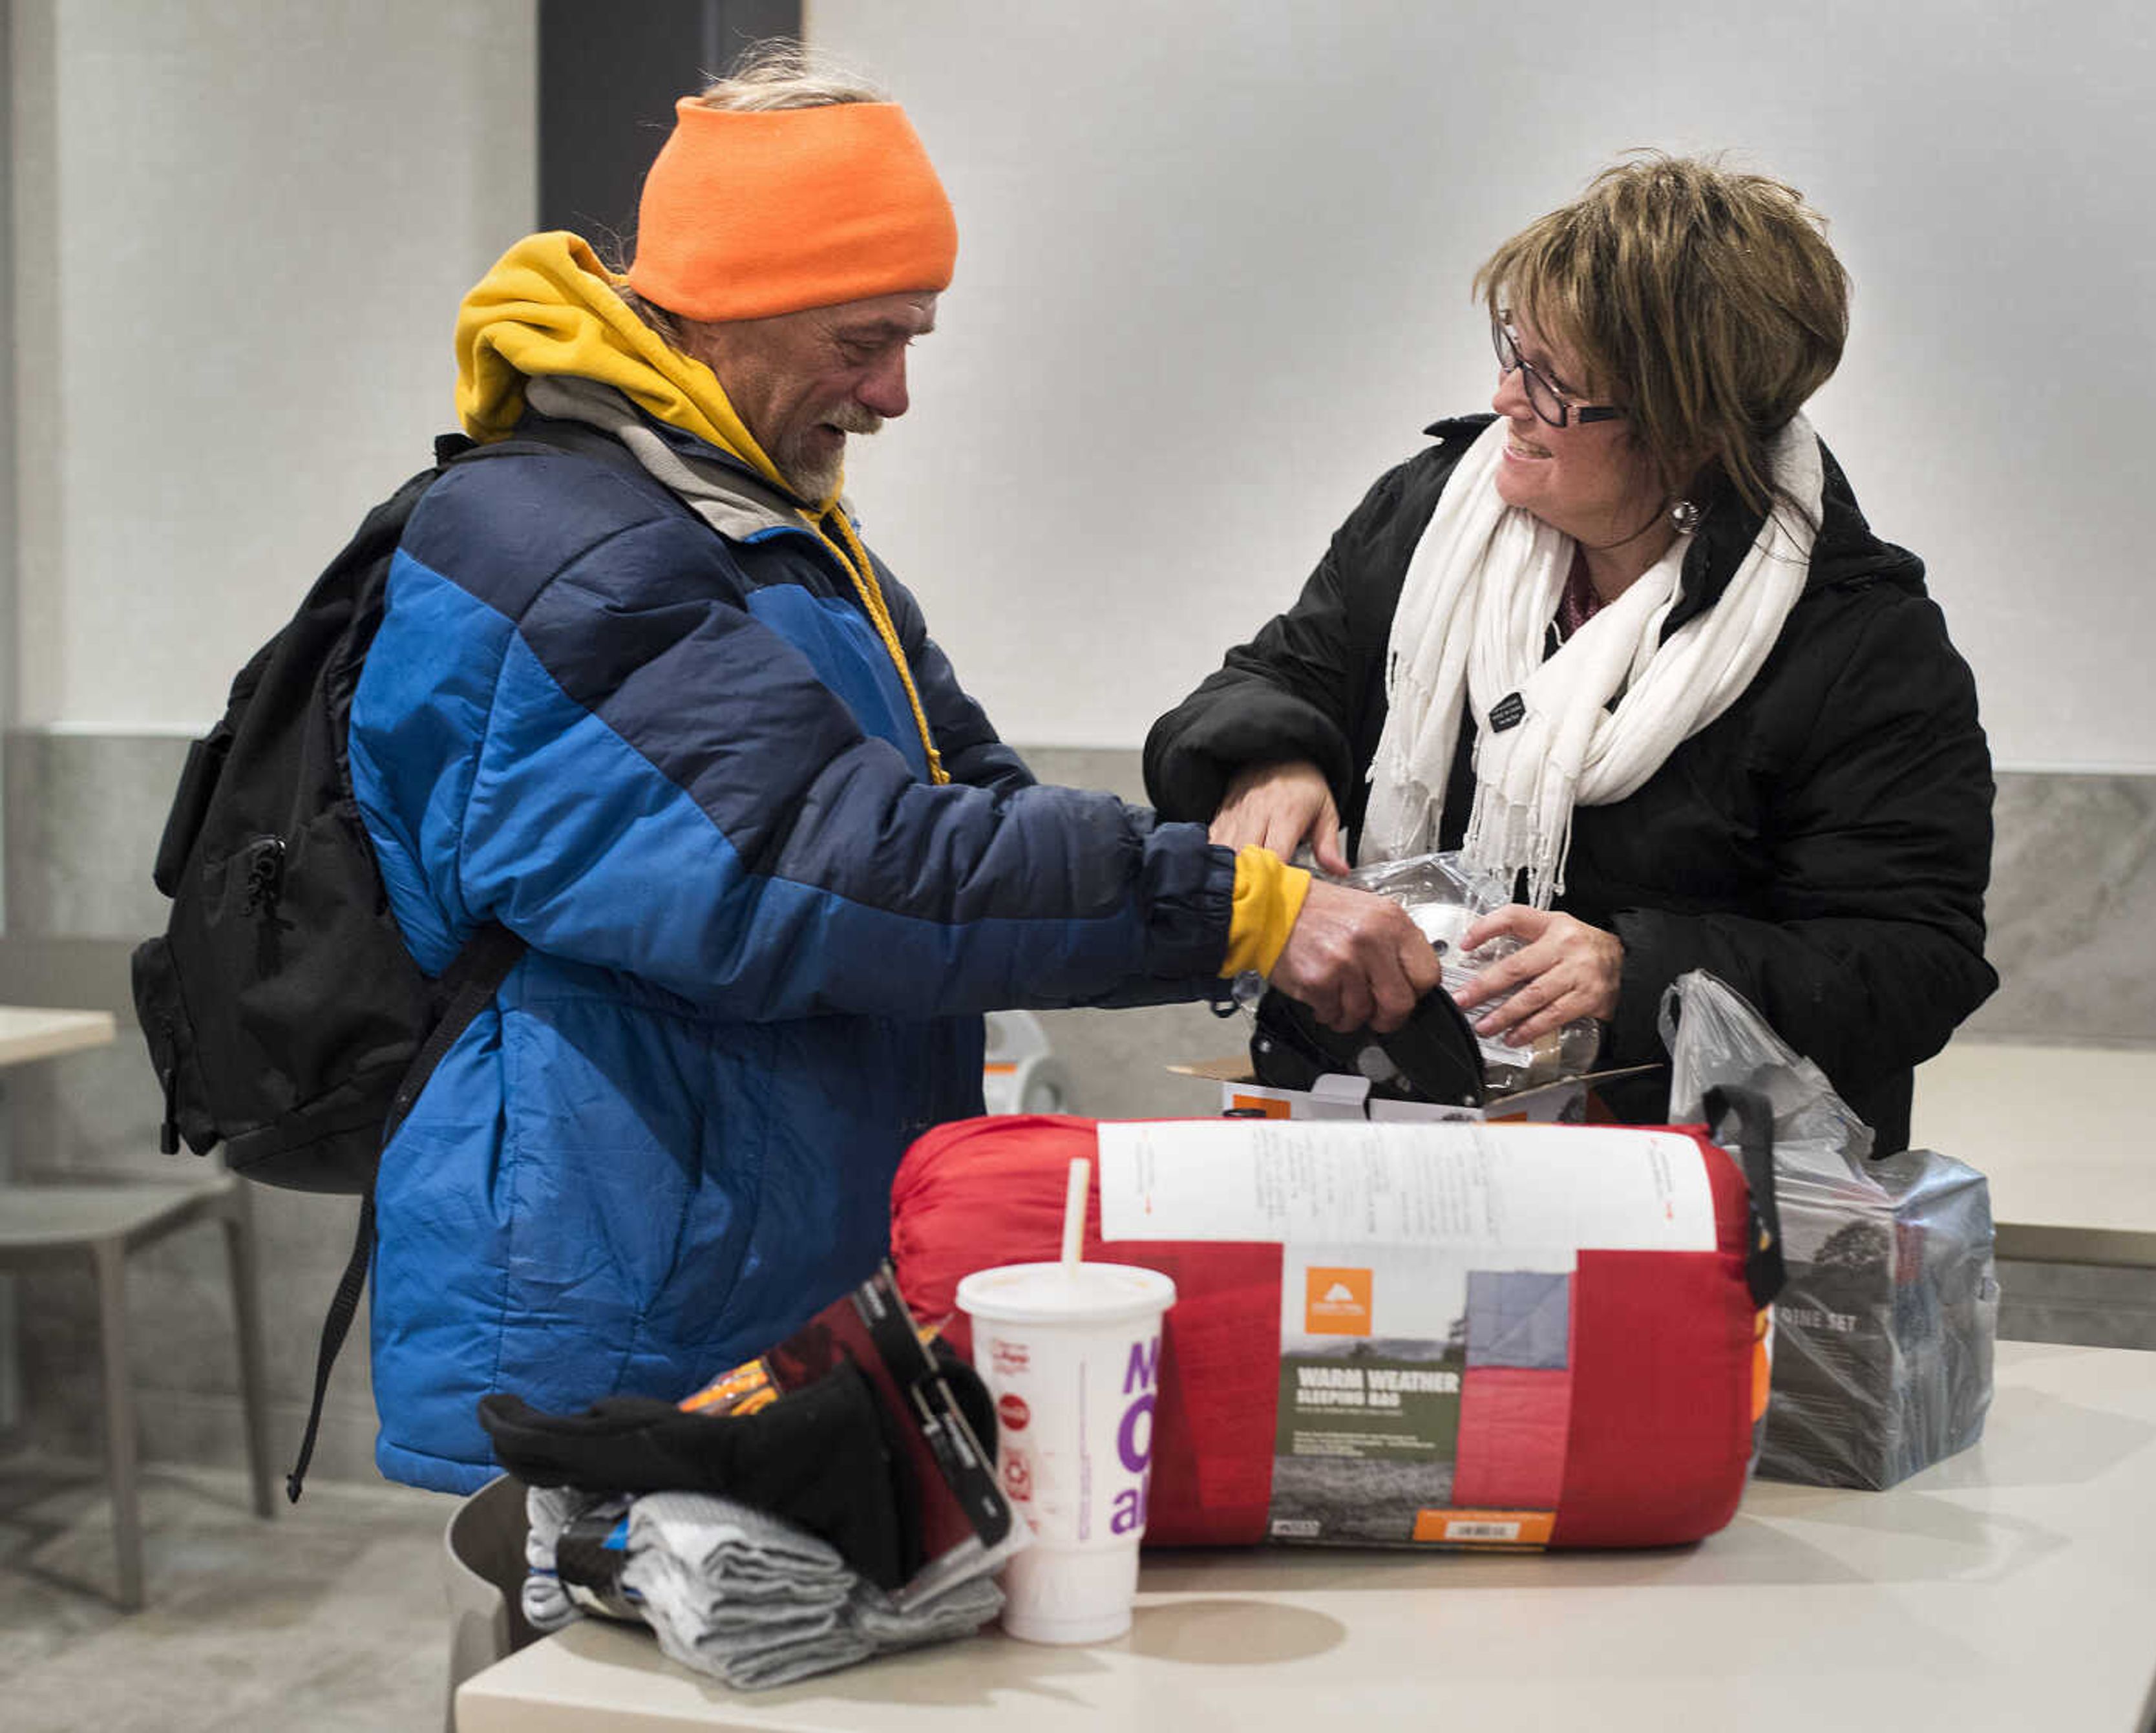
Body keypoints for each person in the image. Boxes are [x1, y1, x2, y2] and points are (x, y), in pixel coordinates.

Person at [349, 45, 1435, 1493]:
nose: (897, 392)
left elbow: (966, 811)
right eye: (867, 338)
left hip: (763, 1275)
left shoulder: (767, 532)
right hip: (616, 1324)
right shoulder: (562, 552)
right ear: (733, 305)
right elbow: (832, 869)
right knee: (587, 1719)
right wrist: (1238, 912)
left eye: (913, 335)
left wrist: (1246, 869)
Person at [1145, 154, 1996, 1149]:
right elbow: (1277, 677)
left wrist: (1638, 972)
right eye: (1513, 350)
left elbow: (1912, 960)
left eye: (1552, 382)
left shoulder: (1857, 639)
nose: (1507, 394)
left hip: (1684, 1182)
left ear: (1686, 427)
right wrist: (1270, 753)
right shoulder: (1430, 518)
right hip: (1390, 1120)